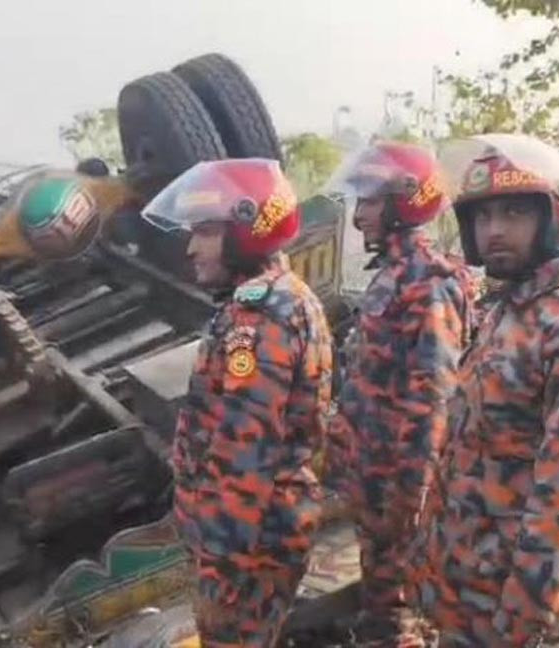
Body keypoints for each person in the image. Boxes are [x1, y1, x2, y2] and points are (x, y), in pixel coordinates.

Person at [141, 158, 333, 646]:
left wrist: (221, 572)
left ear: (249, 230)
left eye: (206, 232)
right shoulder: (273, 300)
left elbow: (245, 457)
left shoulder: (260, 317)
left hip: (249, 547)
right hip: (255, 539)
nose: (191, 247)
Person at [411, 134, 559, 646]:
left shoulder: (555, 322)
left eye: (514, 213)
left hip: (512, 608)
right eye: (483, 216)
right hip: (468, 585)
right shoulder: (508, 309)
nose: (494, 230)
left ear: (551, 218)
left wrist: (522, 618)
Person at [324, 141, 473, 646]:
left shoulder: (426, 281)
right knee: (381, 599)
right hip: (376, 478)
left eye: (370, 200)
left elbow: (434, 396)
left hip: (400, 485)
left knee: (398, 610)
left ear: (406, 201)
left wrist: (412, 497)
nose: (360, 213)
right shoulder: (393, 275)